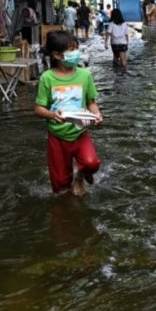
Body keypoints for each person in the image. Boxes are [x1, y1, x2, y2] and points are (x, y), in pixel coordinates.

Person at [34, 31, 103, 195]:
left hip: (80, 132)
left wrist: (97, 115)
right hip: (57, 136)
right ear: (57, 55)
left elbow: (91, 103)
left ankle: (80, 176)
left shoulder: (85, 75)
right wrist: (52, 115)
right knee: (60, 187)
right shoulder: (47, 78)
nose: (76, 54)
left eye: (76, 49)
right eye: (71, 50)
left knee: (91, 163)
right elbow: (38, 108)